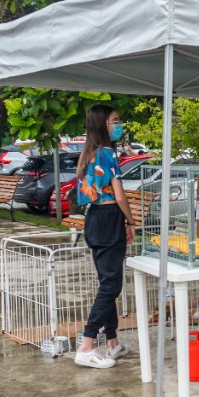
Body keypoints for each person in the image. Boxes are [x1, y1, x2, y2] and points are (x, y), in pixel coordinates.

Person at [73, 105, 138, 369]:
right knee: (111, 286)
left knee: (106, 282)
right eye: (115, 121)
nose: (119, 124)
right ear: (102, 124)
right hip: (110, 218)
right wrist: (131, 221)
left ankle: (112, 342)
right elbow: (120, 195)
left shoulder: (88, 153)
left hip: (94, 219)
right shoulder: (107, 153)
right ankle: (87, 345)